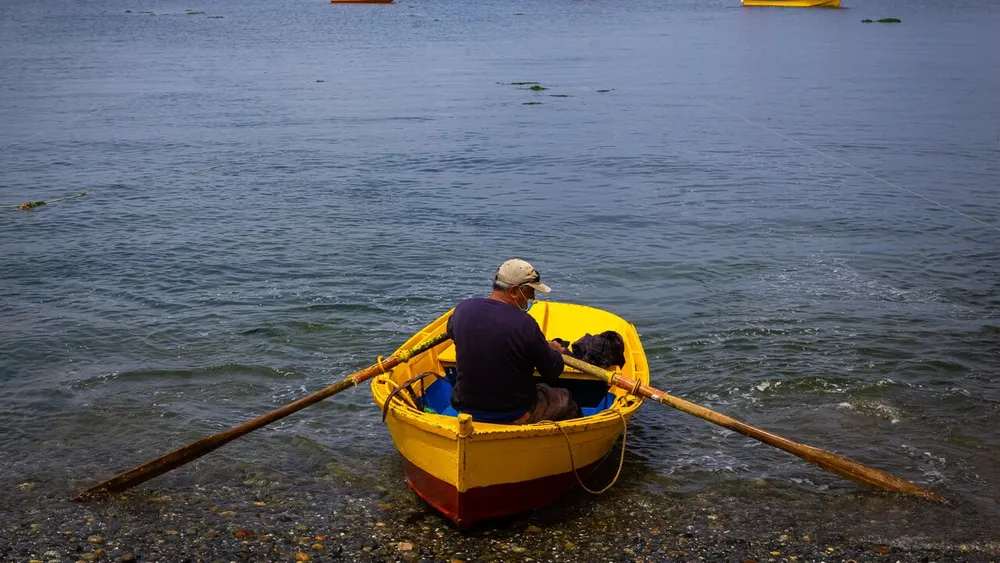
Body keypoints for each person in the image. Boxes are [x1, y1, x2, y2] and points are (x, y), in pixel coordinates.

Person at [447, 259, 582, 424]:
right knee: (566, 399)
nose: (532, 298)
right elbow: (552, 371)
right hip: (513, 413)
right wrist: (553, 350)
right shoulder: (525, 324)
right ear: (514, 291)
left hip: (467, 407)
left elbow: (452, 333)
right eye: (530, 292)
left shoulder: (462, 309)